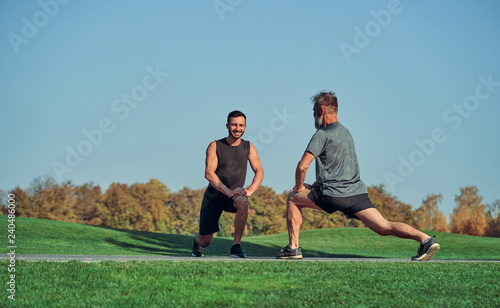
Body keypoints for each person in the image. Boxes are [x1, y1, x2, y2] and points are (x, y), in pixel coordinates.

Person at [276, 91, 440, 261]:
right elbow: (337, 167)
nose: (313, 115)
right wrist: (317, 185)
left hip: (334, 194)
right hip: (356, 194)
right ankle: (426, 240)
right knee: (383, 226)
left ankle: (293, 249)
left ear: (322, 110)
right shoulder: (346, 133)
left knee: (293, 199)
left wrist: (298, 188)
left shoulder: (322, 134)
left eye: (314, 111)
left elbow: (302, 166)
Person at [192, 110, 264, 258]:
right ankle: (198, 240)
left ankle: (236, 246)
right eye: (234, 125)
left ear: (245, 126)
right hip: (214, 196)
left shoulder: (248, 147)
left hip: (235, 196)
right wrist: (229, 192)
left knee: (243, 201)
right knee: (206, 241)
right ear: (227, 125)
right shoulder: (215, 145)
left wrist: (249, 191)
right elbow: (209, 173)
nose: (237, 128)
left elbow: (259, 171)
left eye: (241, 125)